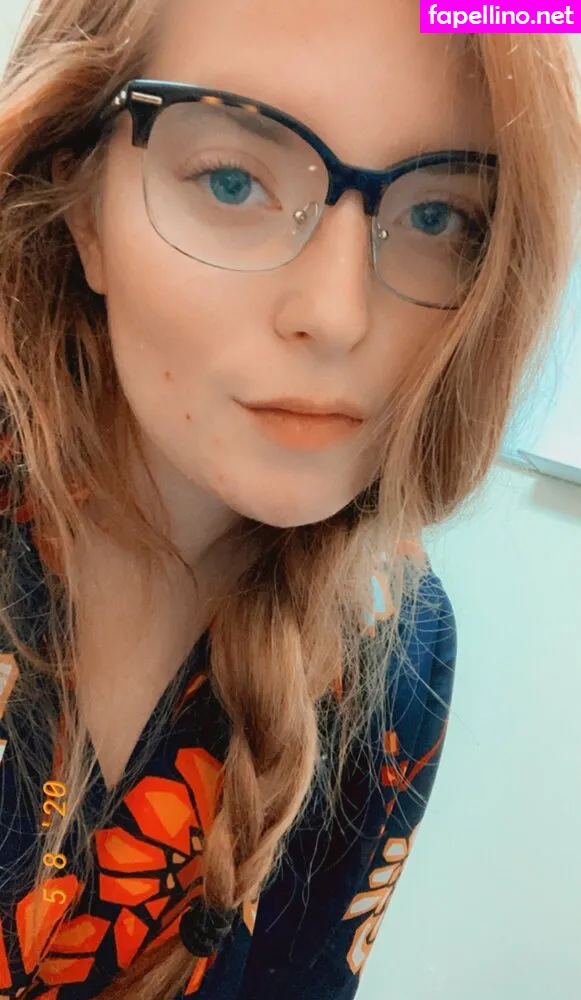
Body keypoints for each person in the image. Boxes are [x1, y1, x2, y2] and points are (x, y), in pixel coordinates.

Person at [0, 1, 579, 997]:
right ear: (83, 204)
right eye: (232, 180)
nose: (337, 313)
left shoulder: (394, 646)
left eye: (437, 217)